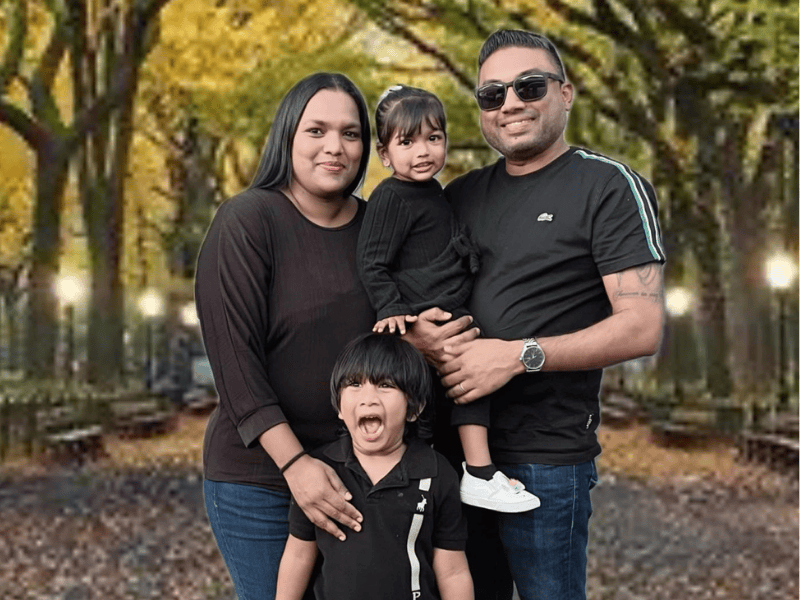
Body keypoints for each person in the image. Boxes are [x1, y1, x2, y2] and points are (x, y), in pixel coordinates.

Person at [404, 30, 666, 600]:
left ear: (566, 93)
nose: (511, 103)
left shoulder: (607, 186)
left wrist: (521, 356)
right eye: (492, 94)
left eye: (529, 86)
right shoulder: (457, 196)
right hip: (450, 451)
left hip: (545, 457)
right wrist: (419, 333)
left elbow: (641, 326)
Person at [194, 72, 375, 600]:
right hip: (261, 478)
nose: (334, 147)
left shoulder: (380, 230)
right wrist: (297, 466)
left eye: (351, 133)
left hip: (358, 474)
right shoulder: (247, 221)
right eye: (316, 130)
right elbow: (235, 364)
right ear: (287, 136)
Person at [357, 84, 539, 514]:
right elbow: (371, 261)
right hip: (425, 309)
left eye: (433, 138)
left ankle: (467, 473)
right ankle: (472, 473)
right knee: (457, 381)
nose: (422, 151)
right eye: (407, 141)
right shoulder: (390, 197)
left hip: (449, 307)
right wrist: (392, 310)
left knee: (459, 386)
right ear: (384, 155)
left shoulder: (436, 192)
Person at [275, 333, 474, 600]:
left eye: (385, 385)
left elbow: (453, 571)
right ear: (339, 408)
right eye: (355, 384)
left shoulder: (436, 473)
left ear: (414, 409)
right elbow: (298, 555)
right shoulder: (320, 471)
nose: (368, 398)